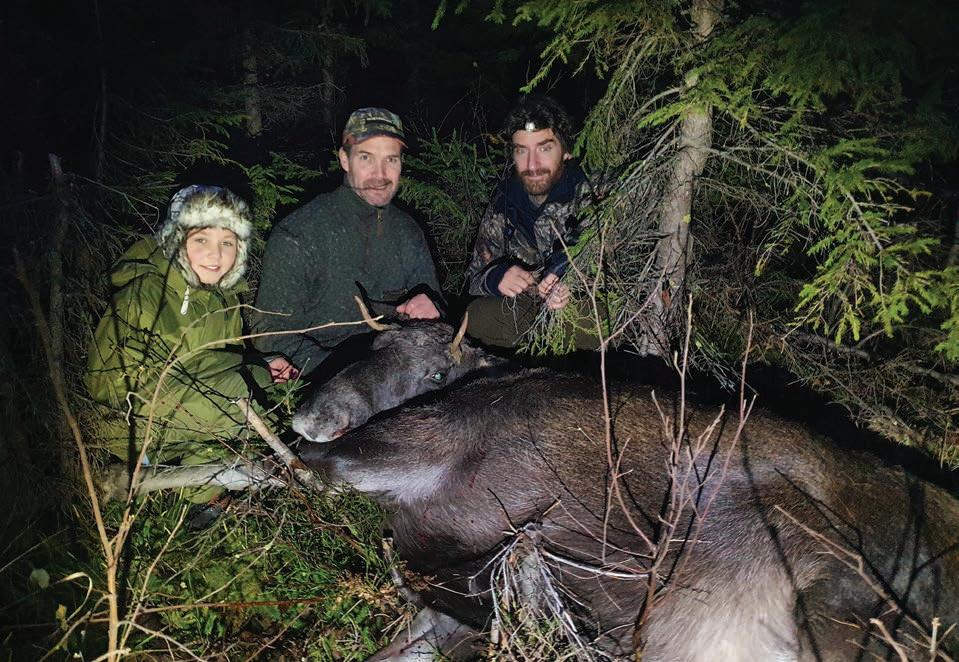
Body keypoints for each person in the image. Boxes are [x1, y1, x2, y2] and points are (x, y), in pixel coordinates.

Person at [86, 185, 294, 511]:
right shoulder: (145, 293)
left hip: (186, 415)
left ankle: (198, 498)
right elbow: (109, 383)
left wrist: (262, 363)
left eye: (227, 243)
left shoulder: (224, 299)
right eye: (202, 240)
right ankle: (144, 470)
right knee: (242, 398)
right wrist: (245, 380)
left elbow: (220, 362)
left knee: (258, 390)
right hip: (127, 422)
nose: (216, 254)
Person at [252, 107, 441, 374]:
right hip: (322, 374)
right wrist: (353, 371)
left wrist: (434, 307)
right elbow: (270, 336)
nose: (380, 174)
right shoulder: (299, 234)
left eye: (391, 160)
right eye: (366, 157)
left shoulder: (408, 231)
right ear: (344, 159)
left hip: (397, 366)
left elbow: (436, 310)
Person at [464, 95, 600, 348]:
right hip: (527, 306)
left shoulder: (593, 191)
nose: (532, 164)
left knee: (583, 321)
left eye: (544, 148)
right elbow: (474, 278)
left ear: (566, 151)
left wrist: (567, 279)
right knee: (477, 317)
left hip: (584, 304)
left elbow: (618, 263)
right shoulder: (505, 200)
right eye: (521, 151)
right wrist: (497, 277)